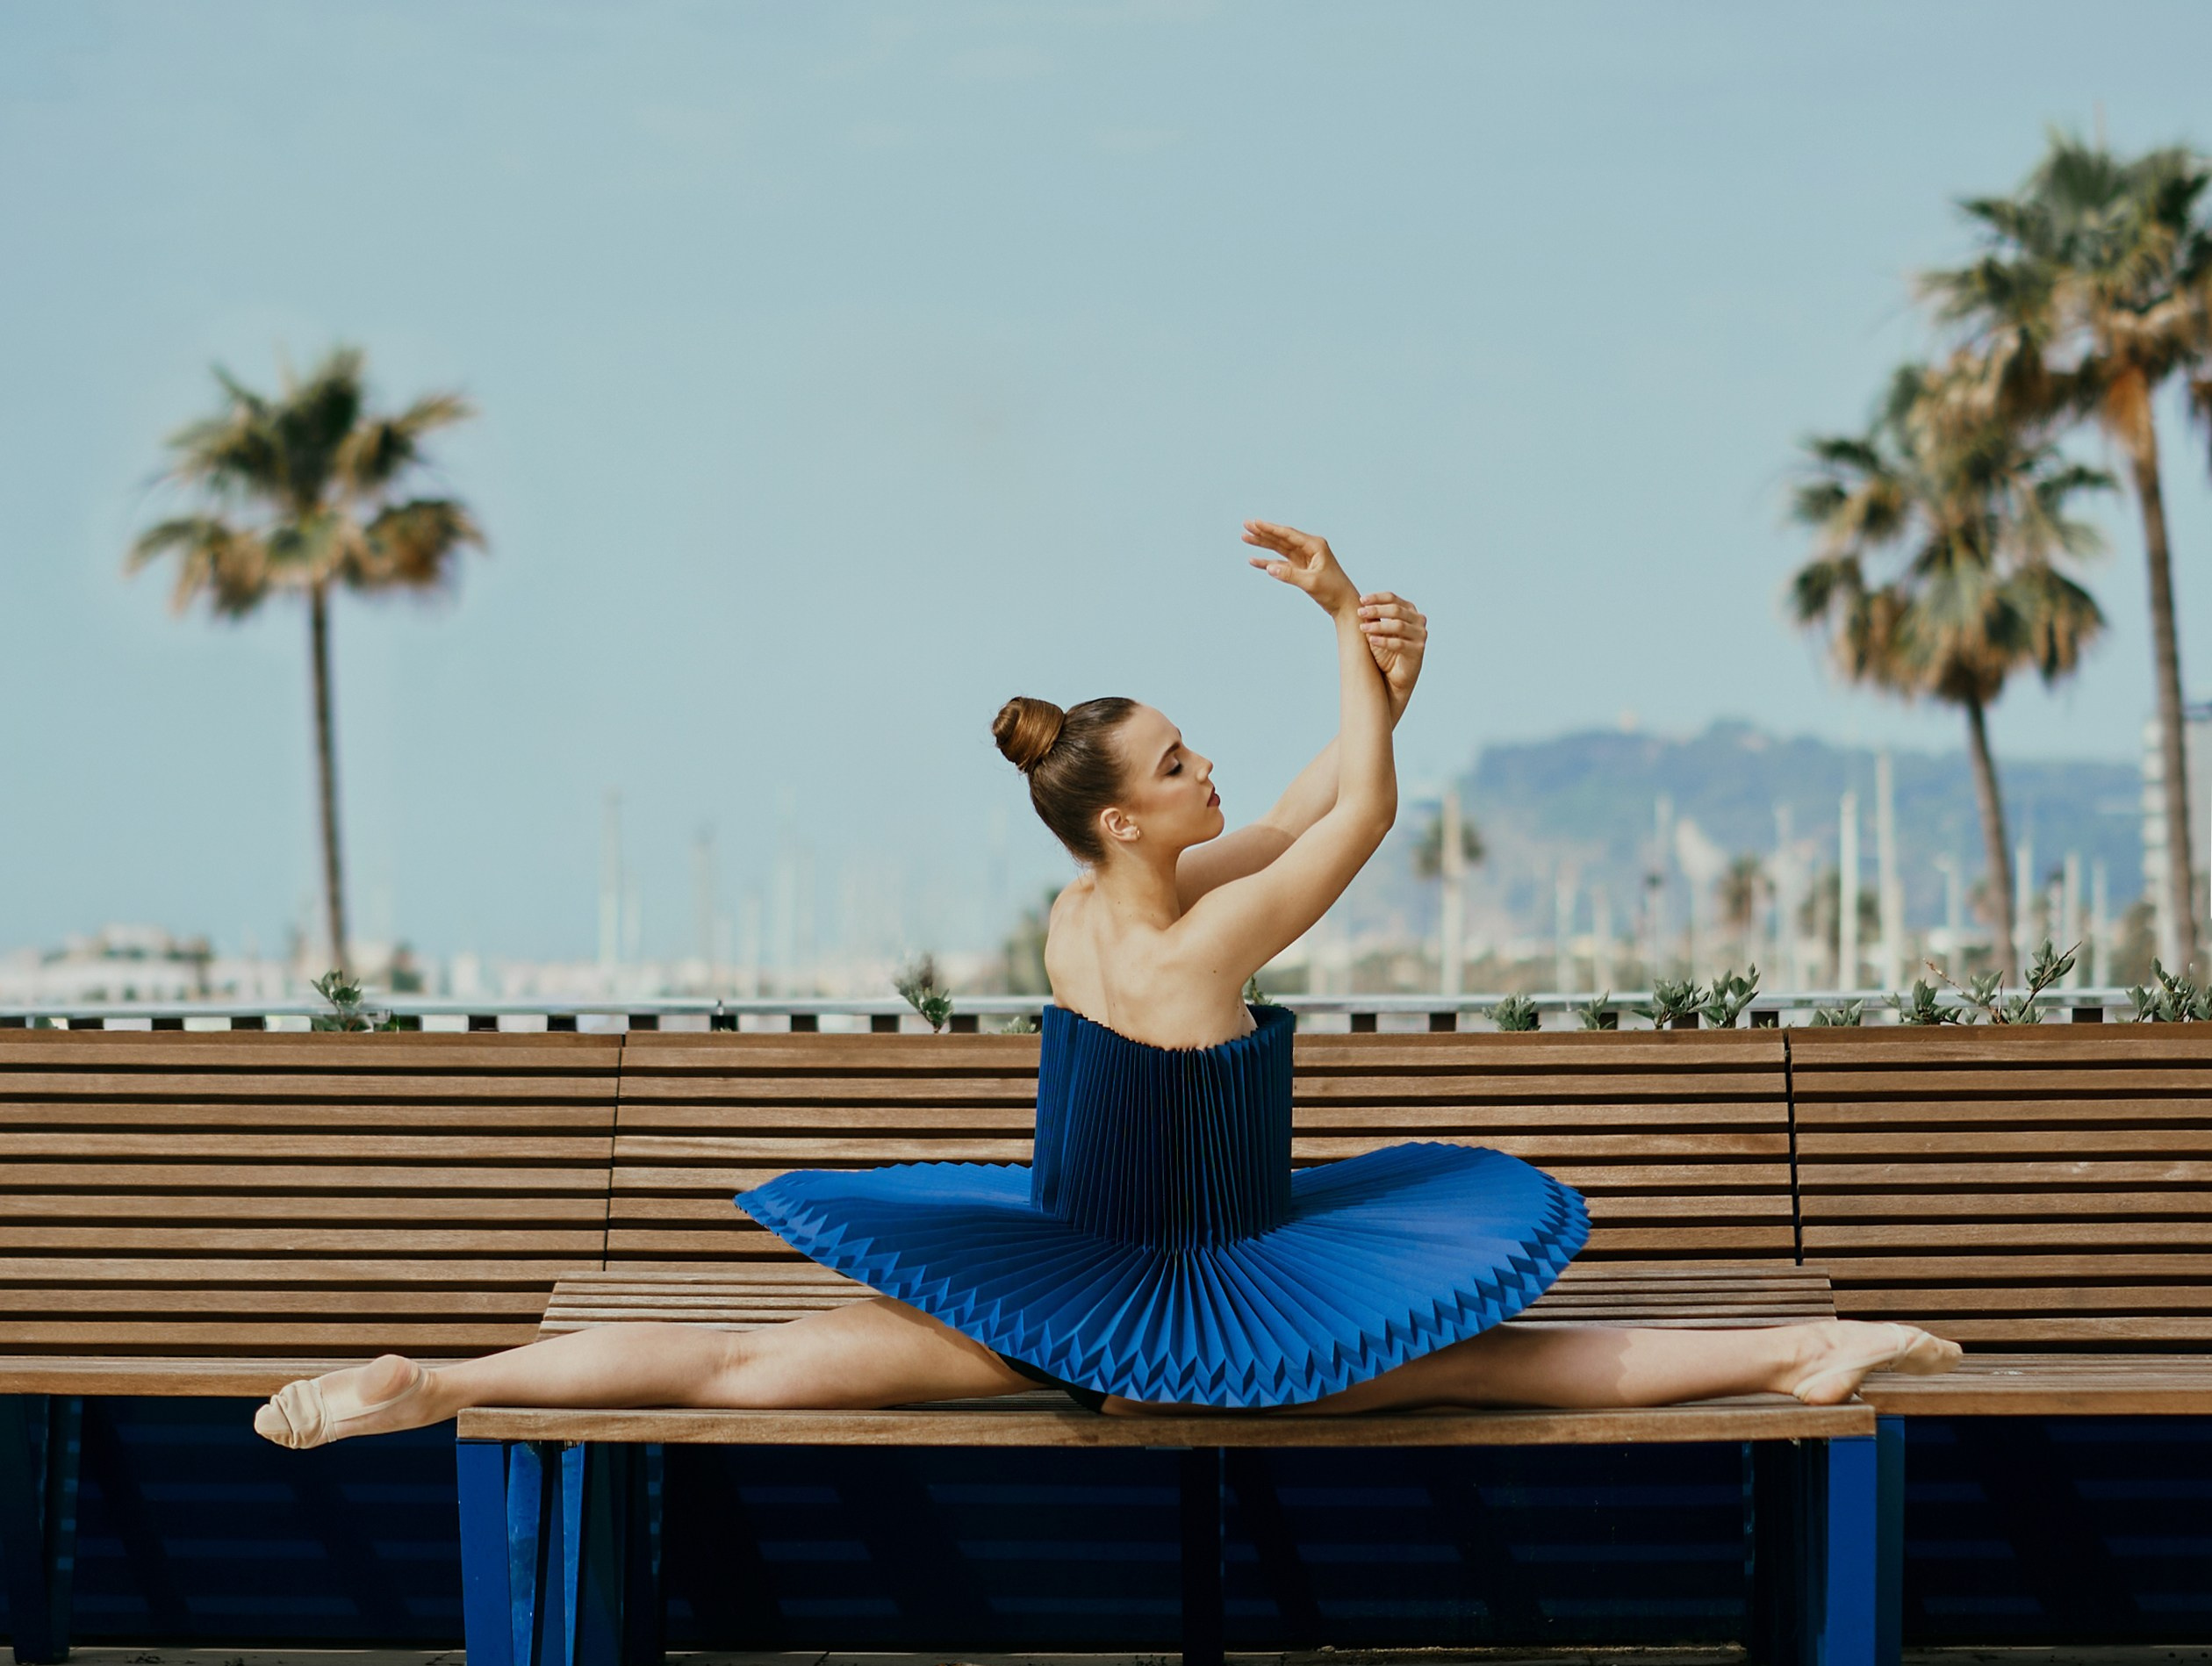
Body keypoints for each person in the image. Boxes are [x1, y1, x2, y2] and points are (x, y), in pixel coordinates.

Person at [255, 517, 1957, 1448]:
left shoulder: (1096, 906)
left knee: (746, 1365)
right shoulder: (1193, 936)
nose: (1211, 771)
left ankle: (449, 1379)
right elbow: (1356, 813)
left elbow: (1308, 801)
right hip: (1196, 1307)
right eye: (1183, 760)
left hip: (1055, 1295)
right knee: (1498, 1367)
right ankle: (1802, 1351)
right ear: (1134, 810)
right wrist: (1347, 618)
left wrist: (1386, 680)